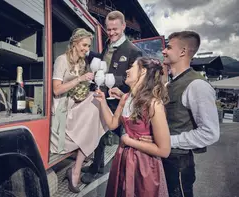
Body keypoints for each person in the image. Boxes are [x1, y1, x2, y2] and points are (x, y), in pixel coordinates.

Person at [140, 31, 220, 197]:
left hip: (178, 164)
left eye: (168, 47)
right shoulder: (170, 84)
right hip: (164, 159)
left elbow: (210, 133)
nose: (163, 51)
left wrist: (167, 141)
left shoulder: (197, 85)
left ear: (182, 52)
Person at [94, 57, 171, 197]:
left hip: (144, 163)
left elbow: (164, 150)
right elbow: (112, 124)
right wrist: (102, 102)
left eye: (132, 67)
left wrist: (129, 141)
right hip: (123, 158)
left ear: (143, 71)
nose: (127, 70)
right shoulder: (126, 98)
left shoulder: (154, 104)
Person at [81, 10, 142, 184]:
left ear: (123, 26)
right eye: (108, 29)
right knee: (98, 131)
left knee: (125, 134)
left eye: (115, 29)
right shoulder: (108, 44)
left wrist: (113, 79)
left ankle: (130, 173)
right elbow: (103, 61)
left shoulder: (133, 51)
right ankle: (97, 166)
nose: (112, 33)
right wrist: (86, 53)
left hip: (120, 99)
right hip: (103, 96)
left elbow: (136, 77)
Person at [50, 28, 108, 193]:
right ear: (74, 43)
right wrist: (80, 78)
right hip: (61, 107)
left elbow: (80, 90)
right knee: (93, 114)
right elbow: (56, 90)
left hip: (74, 104)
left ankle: (75, 170)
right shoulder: (62, 60)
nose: (87, 49)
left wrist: (92, 82)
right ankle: (75, 169)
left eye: (88, 46)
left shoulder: (83, 63)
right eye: (84, 45)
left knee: (98, 102)